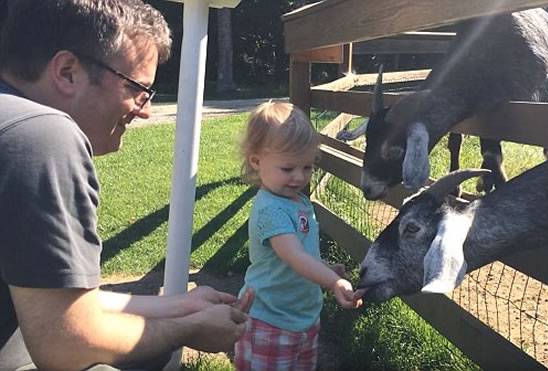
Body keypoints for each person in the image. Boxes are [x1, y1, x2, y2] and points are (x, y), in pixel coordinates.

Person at [0, 1, 253, 370]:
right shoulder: (40, 135)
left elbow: (58, 302)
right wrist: (186, 329)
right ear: (68, 71)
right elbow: (64, 344)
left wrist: (180, 306)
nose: (146, 109)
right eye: (138, 88)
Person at [233, 102, 363, 370]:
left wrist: (326, 268)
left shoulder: (296, 201)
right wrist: (333, 283)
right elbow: (293, 257)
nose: (298, 177)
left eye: (307, 167)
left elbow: (304, 253)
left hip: (301, 317)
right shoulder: (271, 209)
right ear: (256, 161)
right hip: (269, 320)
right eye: (288, 168)